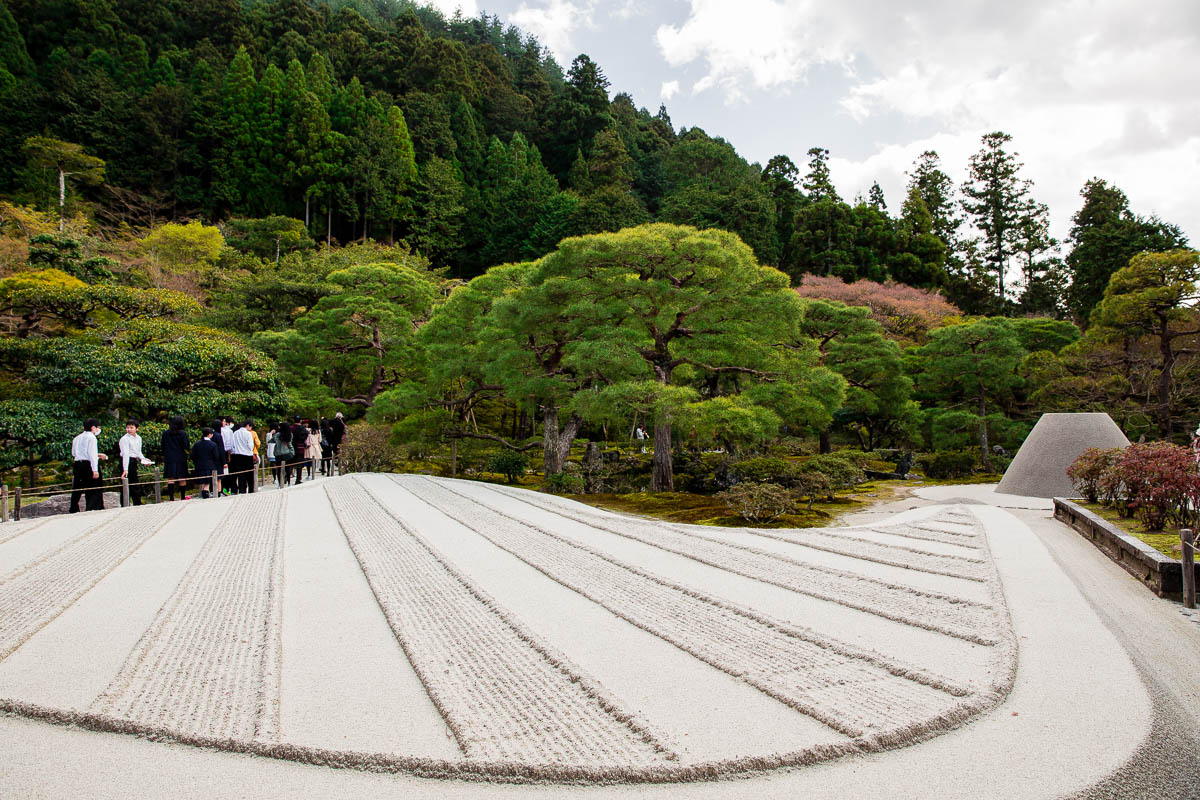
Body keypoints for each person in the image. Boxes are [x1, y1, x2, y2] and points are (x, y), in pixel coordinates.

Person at [69, 418, 108, 512]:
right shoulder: (92, 437)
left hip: (78, 464)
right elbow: (92, 455)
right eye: (98, 427)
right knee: (94, 487)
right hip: (88, 465)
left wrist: (97, 455)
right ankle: (93, 507)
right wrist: (95, 470)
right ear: (93, 428)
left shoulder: (77, 438)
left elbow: (74, 453)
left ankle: (73, 508)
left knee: (77, 487)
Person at [118, 419, 151, 506]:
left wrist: (144, 459)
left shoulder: (139, 438)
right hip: (125, 460)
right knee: (126, 484)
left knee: (135, 483)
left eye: (131, 427)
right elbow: (125, 454)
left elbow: (138, 452)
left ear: (137, 428)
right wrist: (125, 469)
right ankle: (125, 504)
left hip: (133, 461)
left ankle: (137, 502)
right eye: (127, 427)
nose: (129, 429)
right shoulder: (124, 439)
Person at [161, 416, 190, 501]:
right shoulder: (182, 433)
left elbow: (162, 446)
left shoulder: (165, 433)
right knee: (182, 477)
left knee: (171, 478)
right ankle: (182, 496)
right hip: (180, 457)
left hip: (169, 457)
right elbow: (186, 445)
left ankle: (171, 498)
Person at [190, 427, 223, 498]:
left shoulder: (197, 444)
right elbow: (216, 456)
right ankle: (205, 496)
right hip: (210, 466)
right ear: (209, 435)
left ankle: (203, 494)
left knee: (202, 482)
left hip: (199, 466)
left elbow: (192, 456)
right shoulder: (213, 444)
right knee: (207, 483)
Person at [229, 420, 257, 494]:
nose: (251, 428)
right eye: (250, 426)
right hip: (247, 456)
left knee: (241, 474)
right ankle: (251, 490)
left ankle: (242, 490)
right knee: (250, 475)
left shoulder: (235, 433)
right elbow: (251, 446)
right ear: (247, 425)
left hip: (237, 456)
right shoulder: (248, 434)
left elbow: (232, 445)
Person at [288, 416, 308, 485]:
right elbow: (305, 436)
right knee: (299, 464)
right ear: (300, 421)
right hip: (300, 447)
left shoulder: (290, 428)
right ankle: (298, 479)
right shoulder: (303, 428)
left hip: (291, 447)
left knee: (290, 463)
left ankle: (286, 478)